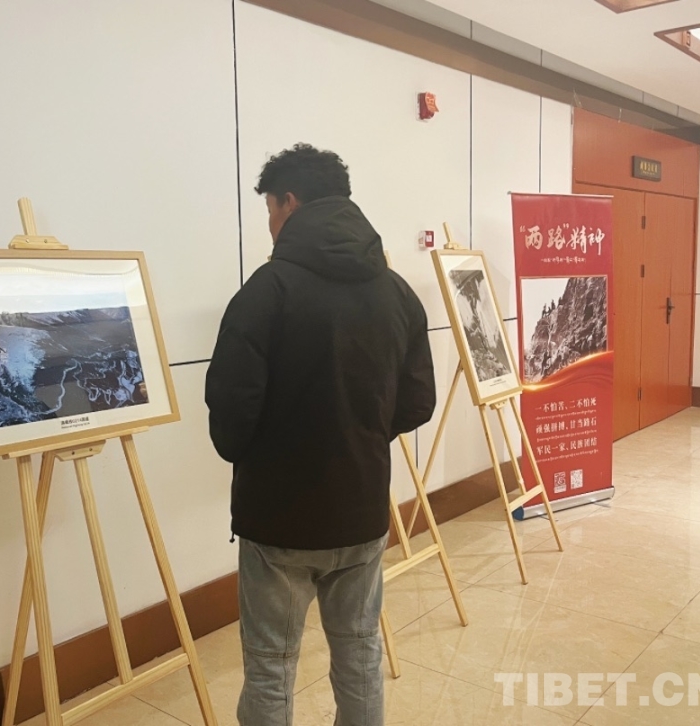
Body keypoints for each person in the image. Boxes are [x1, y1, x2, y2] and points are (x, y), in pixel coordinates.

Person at [205, 143, 436, 726]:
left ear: (289, 202)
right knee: (360, 654)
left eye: (269, 209)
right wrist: (359, 433)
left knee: (271, 664)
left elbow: (230, 414)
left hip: (277, 519)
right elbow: (418, 402)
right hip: (361, 511)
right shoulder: (396, 291)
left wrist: (265, 453)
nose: (270, 223)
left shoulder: (265, 291)